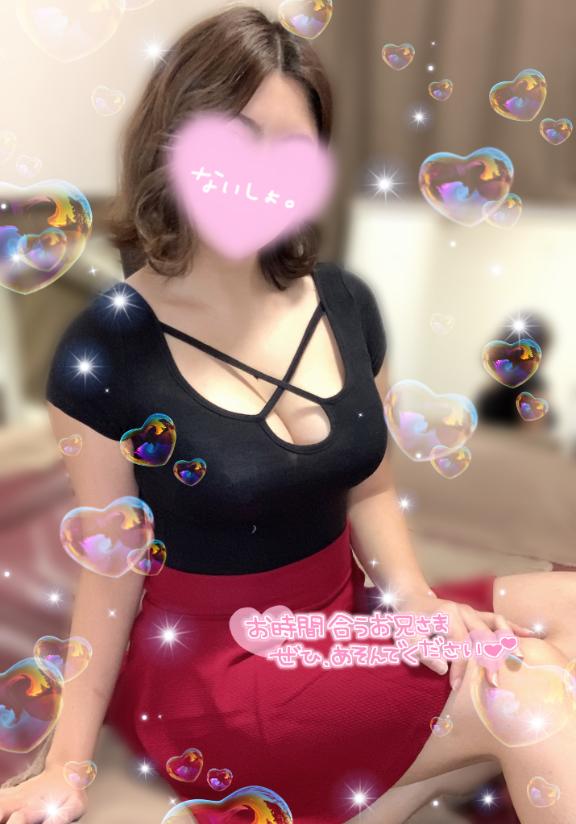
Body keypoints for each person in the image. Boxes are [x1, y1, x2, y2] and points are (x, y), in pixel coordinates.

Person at [2, 7, 575, 824]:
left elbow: (371, 489)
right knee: (530, 693)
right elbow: (111, 567)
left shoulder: (345, 302)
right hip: (221, 674)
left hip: (346, 619)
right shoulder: (109, 349)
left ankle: (405, 782)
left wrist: (415, 600)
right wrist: (67, 766)